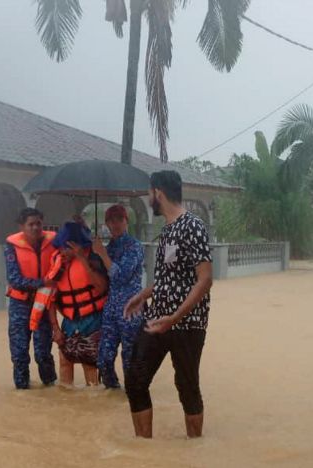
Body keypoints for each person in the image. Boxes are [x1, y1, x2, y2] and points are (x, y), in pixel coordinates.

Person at [124, 171, 213, 439]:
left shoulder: (192, 226)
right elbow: (168, 277)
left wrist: (174, 317)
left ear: (157, 193)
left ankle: (194, 447)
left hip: (187, 323)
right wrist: (144, 294)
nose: (149, 197)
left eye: (149, 193)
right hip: (157, 318)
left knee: (187, 386)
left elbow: (205, 279)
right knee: (135, 379)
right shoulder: (167, 230)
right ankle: (143, 449)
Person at [48, 221, 109, 387]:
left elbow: (102, 286)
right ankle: (66, 403)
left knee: (89, 364)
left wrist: (82, 259)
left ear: (78, 245)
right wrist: (56, 329)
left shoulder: (93, 259)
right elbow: (50, 300)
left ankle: (92, 404)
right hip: (69, 320)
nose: (63, 251)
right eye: (61, 247)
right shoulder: (57, 264)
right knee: (65, 362)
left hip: (92, 319)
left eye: (67, 247)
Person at [3, 208, 57, 389]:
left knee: (43, 353)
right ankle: (22, 391)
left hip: (43, 304)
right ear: (22, 226)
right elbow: (15, 280)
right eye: (30, 224)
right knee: (19, 354)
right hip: (20, 304)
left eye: (38, 223)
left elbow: (74, 241)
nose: (35, 228)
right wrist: (43, 282)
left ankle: (50, 389)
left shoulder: (54, 242)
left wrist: (78, 226)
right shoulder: (11, 246)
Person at [92, 204, 144, 389]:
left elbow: (121, 276)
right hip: (111, 309)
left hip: (130, 309)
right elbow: (97, 272)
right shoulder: (109, 247)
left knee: (129, 359)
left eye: (119, 219)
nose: (115, 224)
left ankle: (133, 399)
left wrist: (103, 254)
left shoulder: (134, 246)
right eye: (111, 220)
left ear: (126, 221)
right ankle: (112, 394)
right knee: (103, 359)